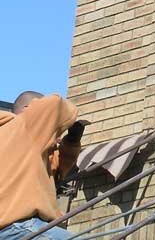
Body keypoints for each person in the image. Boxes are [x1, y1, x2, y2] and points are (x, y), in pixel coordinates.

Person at [0, 92, 84, 239]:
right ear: (29, 110)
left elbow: (54, 171)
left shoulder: (14, 139)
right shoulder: (23, 126)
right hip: (18, 226)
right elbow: (54, 104)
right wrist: (66, 122)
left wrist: (72, 141)